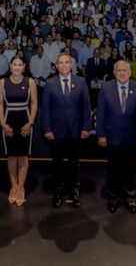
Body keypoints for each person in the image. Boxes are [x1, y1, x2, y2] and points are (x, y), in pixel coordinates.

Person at [41, 53, 92, 208]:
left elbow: (86, 107)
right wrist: (47, 129)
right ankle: (58, 191)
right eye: (60, 63)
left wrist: (86, 128)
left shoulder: (81, 82)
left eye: (66, 62)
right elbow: (46, 110)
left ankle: (74, 190)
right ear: (56, 66)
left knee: (74, 163)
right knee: (57, 164)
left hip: (76, 131)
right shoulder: (49, 84)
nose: (64, 65)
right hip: (56, 132)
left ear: (71, 65)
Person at [96, 60, 136, 214]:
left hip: (132, 138)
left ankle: (130, 197)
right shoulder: (105, 88)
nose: (122, 73)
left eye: (125, 70)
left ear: (130, 72)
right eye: (119, 71)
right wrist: (101, 135)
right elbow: (101, 114)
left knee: (130, 169)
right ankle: (114, 197)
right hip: (112, 137)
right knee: (113, 170)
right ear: (114, 73)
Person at [0, 56, 38, 206]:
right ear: (10, 65)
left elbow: (34, 103)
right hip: (8, 121)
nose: (17, 67)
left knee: (23, 156)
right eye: (15, 64)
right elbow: (0, 104)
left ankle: (21, 187)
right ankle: (13, 187)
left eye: (20, 64)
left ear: (24, 66)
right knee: (12, 156)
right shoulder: (3, 82)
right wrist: (2, 123)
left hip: (25, 121)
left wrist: (30, 122)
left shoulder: (30, 82)